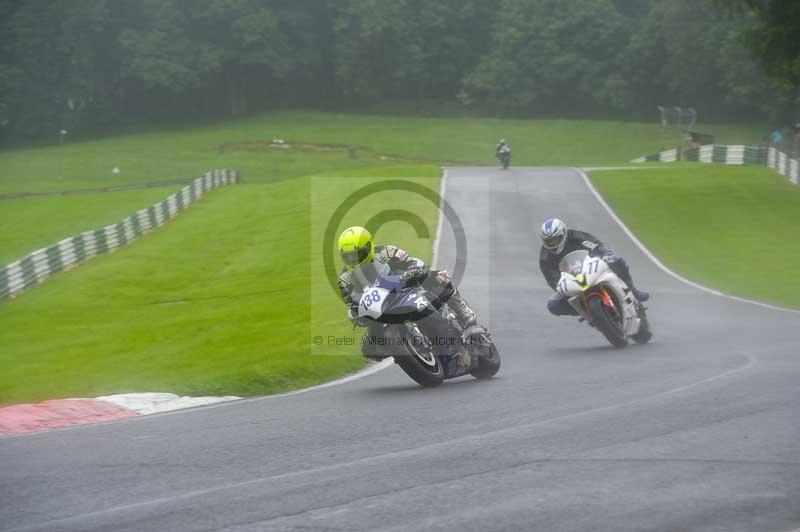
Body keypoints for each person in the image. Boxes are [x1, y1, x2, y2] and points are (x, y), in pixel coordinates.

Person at [336, 226, 476, 328]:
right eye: (347, 256)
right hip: (380, 306)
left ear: (368, 248)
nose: (352, 260)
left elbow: (412, 260)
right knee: (369, 345)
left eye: (355, 254)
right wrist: (354, 312)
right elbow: (350, 303)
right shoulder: (344, 279)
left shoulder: (385, 251)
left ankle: (461, 308)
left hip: (403, 285)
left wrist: (412, 269)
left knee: (437, 276)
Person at [538, 218, 649, 316]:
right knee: (553, 306)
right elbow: (551, 279)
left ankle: (634, 292)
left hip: (591, 266)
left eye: (555, 239)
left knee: (617, 261)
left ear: (563, 234)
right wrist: (562, 287)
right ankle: (586, 312)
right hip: (571, 280)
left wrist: (605, 254)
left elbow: (595, 244)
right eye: (549, 241)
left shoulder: (576, 236)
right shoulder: (545, 257)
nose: (552, 244)